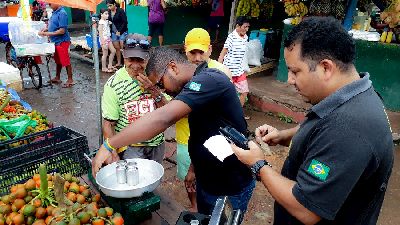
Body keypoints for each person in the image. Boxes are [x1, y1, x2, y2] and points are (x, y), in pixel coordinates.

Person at [232, 17, 394, 225]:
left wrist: (258, 164)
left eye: (295, 71)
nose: (289, 80)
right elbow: (321, 128)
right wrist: (285, 135)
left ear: (325, 67)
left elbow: (306, 208)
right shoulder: (353, 95)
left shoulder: (349, 129)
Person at [92, 47, 255, 223]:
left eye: (160, 84)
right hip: (207, 181)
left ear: (173, 67)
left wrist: (109, 144)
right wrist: (193, 168)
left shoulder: (210, 79)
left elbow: (163, 118)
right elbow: (206, 133)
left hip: (230, 185)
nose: (162, 90)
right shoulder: (194, 87)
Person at [177, 28, 232, 212]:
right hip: (186, 138)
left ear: (210, 49)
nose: (198, 57)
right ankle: (195, 206)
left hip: (215, 139)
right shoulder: (179, 73)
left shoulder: (221, 72)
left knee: (215, 182)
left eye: (202, 51)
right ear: (185, 49)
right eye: (193, 52)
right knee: (190, 178)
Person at [99, 34, 166, 164]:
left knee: (154, 179)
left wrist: (153, 90)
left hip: (157, 143)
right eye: (131, 59)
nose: (135, 66)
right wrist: (112, 153)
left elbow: (169, 112)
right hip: (130, 147)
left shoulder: (157, 77)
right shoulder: (114, 85)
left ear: (148, 57)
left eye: (140, 60)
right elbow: (108, 124)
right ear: (123, 55)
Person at [218, 16, 250, 117]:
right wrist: (219, 66)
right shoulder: (231, 37)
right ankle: (223, 114)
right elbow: (224, 52)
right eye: (245, 27)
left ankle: (238, 114)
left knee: (244, 92)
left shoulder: (245, 37)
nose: (246, 29)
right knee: (226, 94)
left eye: (248, 27)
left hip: (239, 71)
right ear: (237, 26)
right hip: (228, 71)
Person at [38, 3, 74, 88]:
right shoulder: (54, 12)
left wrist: (46, 33)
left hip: (62, 41)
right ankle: (57, 77)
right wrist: (47, 28)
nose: (49, 5)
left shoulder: (62, 13)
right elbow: (53, 24)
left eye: (51, 4)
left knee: (65, 60)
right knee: (58, 60)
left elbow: (62, 31)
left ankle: (70, 79)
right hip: (56, 41)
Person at [107, 0, 128, 68]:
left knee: (123, 48)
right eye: (108, 6)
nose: (109, 7)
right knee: (117, 48)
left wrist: (120, 31)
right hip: (113, 33)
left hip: (122, 32)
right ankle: (119, 63)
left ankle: (126, 64)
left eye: (110, 5)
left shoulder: (120, 11)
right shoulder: (109, 12)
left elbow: (125, 22)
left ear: (114, 4)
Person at [98, 9, 117, 73]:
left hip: (108, 38)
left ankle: (110, 65)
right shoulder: (101, 23)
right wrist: (103, 42)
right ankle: (103, 67)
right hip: (104, 39)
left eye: (108, 14)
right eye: (106, 14)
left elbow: (111, 22)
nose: (107, 15)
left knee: (113, 51)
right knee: (105, 54)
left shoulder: (106, 21)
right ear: (101, 14)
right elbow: (100, 33)